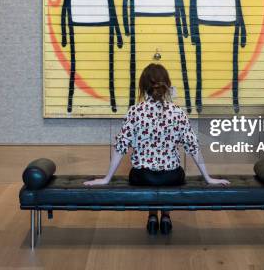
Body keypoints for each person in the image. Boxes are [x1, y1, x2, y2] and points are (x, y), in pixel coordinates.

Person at [84, 63, 229, 235]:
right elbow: (193, 147)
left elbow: (121, 146)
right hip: (172, 177)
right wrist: (208, 178)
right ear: (167, 85)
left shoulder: (135, 111)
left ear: (143, 87)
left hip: (142, 176)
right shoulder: (178, 112)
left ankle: (152, 216)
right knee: (174, 172)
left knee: (143, 173)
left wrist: (106, 179)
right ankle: (166, 216)